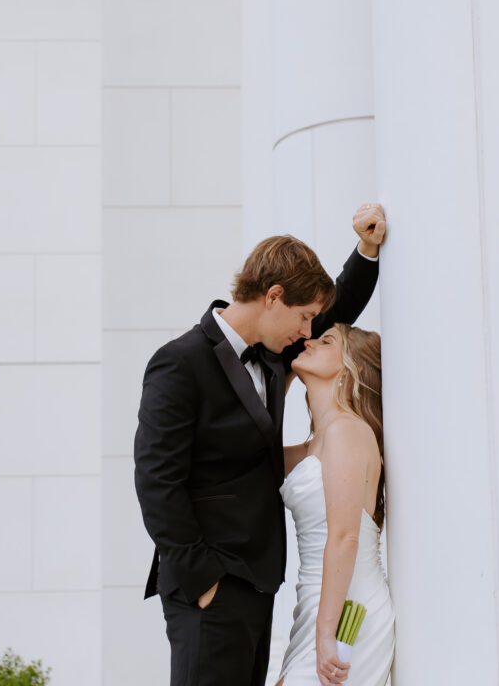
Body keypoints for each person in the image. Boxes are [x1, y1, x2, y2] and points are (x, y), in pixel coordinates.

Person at [134, 203, 386, 686]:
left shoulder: (273, 356)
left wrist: (367, 250)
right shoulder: (179, 363)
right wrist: (203, 579)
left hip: (260, 584)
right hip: (209, 584)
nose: (308, 332)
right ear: (273, 296)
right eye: (304, 317)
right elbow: (156, 480)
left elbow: (338, 314)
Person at [277, 324, 395, 686]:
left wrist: (326, 633)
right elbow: (254, 457)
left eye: (326, 341)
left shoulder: (348, 430)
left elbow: (344, 537)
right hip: (315, 606)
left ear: (351, 367)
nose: (309, 341)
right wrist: (279, 382)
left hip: (346, 612)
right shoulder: (316, 443)